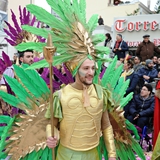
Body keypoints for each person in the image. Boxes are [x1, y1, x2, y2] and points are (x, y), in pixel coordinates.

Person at [45, 57, 116, 160]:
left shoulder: (100, 93)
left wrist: (112, 154)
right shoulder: (61, 95)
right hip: (66, 155)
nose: (91, 72)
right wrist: (50, 136)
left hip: (93, 154)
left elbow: (106, 125)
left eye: (92, 68)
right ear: (76, 70)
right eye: (86, 68)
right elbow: (52, 125)